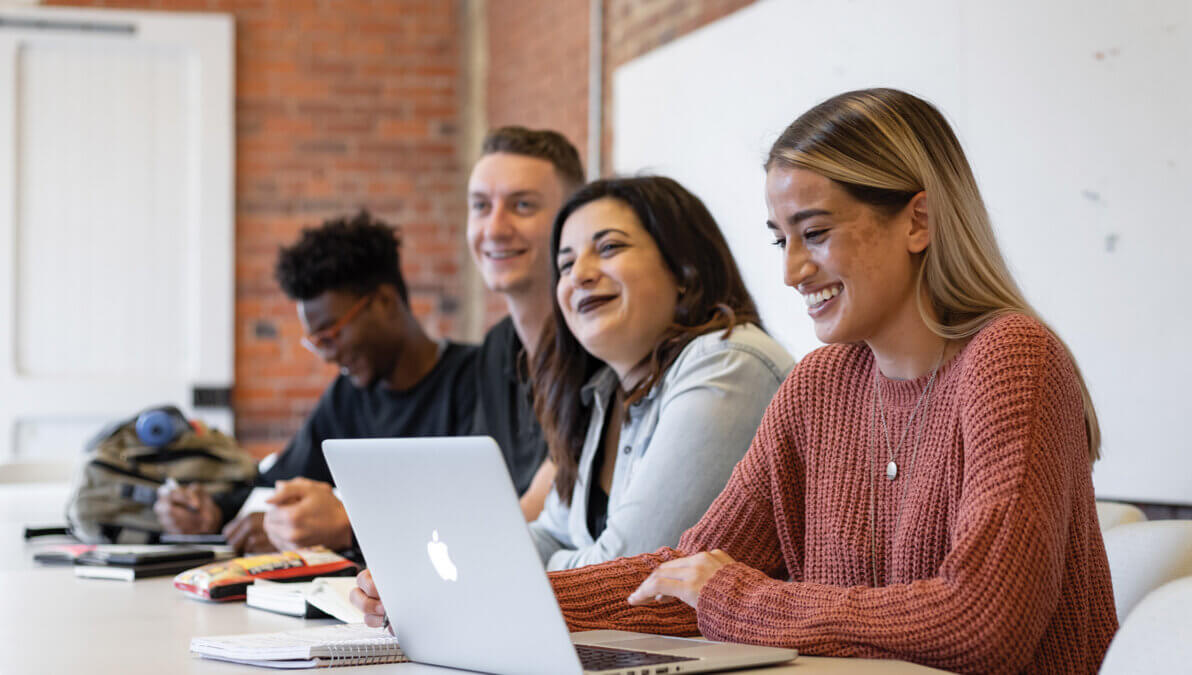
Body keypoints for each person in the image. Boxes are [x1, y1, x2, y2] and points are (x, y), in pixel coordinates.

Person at [358, 89, 1119, 673]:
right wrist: (468, 598)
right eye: (781, 238)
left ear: (918, 221)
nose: (790, 271)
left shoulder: (1012, 358)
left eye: (814, 233)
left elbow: (983, 619)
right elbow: (683, 579)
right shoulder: (820, 387)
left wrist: (739, 598)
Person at [156, 211, 480, 553]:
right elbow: (276, 484)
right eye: (316, 342)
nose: (326, 356)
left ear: (384, 302)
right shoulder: (348, 395)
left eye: (331, 335)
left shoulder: (476, 380)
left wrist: (348, 526)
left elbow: (478, 514)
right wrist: (214, 512)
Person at [527, 176, 794, 569]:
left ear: (684, 270)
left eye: (609, 247)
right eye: (565, 264)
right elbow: (553, 533)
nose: (579, 274)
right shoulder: (602, 392)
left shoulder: (729, 362)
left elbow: (630, 568)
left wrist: (518, 575)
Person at [465, 126, 587, 519]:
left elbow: (532, 517)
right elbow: (481, 494)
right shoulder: (498, 346)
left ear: (571, 221)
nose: (495, 229)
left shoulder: (599, 346)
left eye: (522, 206)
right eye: (481, 206)